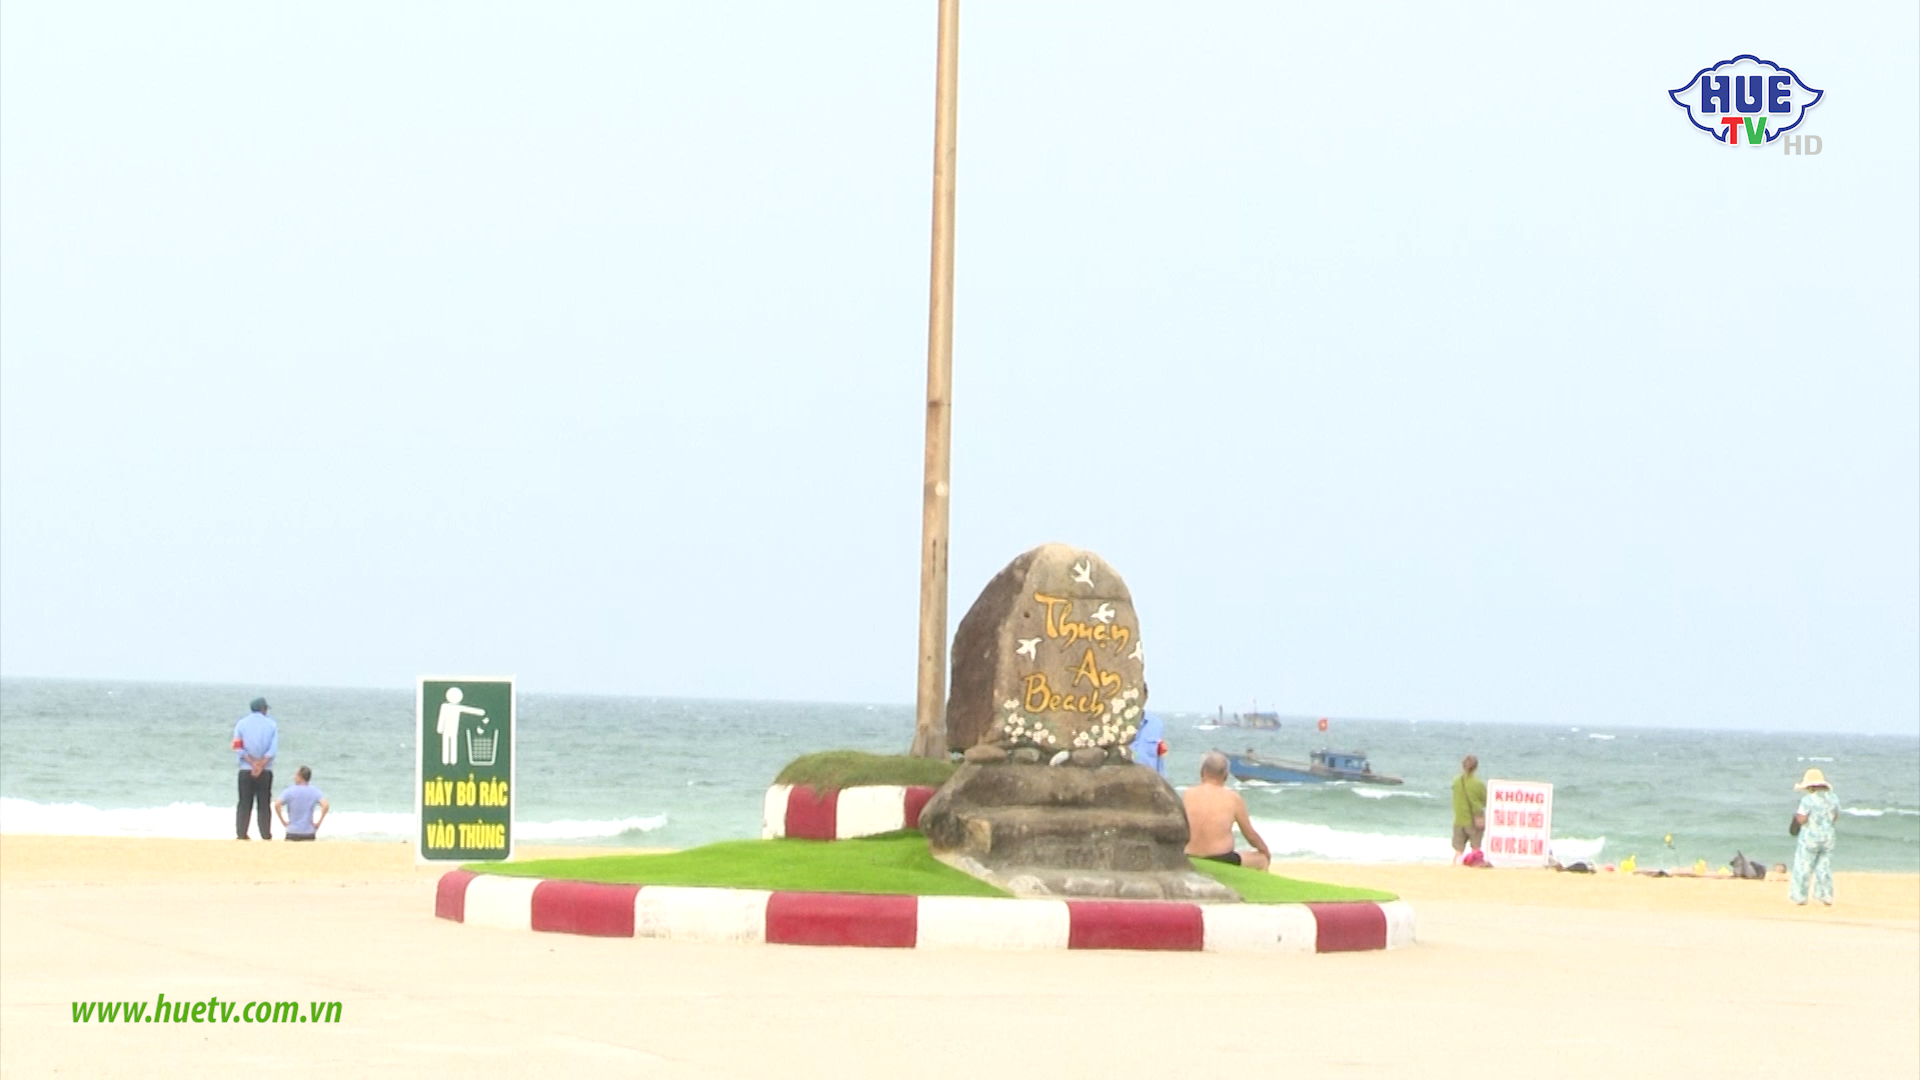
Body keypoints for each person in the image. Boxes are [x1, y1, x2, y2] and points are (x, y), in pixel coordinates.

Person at [1183, 752, 1270, 869]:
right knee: (1262, 859)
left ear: (1202, 772)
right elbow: (1250, 835)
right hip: (1222, 858)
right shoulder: (1233, 798)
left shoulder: (1188, 794)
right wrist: (1265, 850)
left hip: (1189, 857)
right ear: (1225, 775)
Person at [1789, 768, 1840, 906]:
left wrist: (1796, 822)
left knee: (1803, 866)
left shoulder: (1808, 800)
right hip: (1828, 837)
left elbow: (1802, 818)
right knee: (1824, 867)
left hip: (1810, 837)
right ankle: (1825, 896)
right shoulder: (1833, 798)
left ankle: (1800, 896)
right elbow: (1835, 817)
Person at [233, 697, 279, 840]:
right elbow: (272, 749)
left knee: (244, 803)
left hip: (246, 769)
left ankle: (241, 834)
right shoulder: (272, 725)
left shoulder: (241, 724)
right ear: (263, 709)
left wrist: (252, 763)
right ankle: (265, 834)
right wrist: (261, 764)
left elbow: (238, 747)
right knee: (264, 804)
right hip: (265, 770)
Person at [274, 766, 330, 842]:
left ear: (300, 777)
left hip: (292, 831)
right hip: (309, 832)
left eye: (296, 775)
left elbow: (277, 804)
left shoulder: (290, 790)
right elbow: (325, 805)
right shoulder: (314, 791)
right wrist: (318, 823)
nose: (294, 777)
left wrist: (283, 821)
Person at [1450, 754, 1486, 864]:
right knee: (1475, 848)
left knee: (1458, 850)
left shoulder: (1456, 781)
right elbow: (1485, 800)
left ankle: (1456, 867)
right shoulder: (1478, 784)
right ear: (1475, 767)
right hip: (1475, 820)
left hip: (1459, 819)